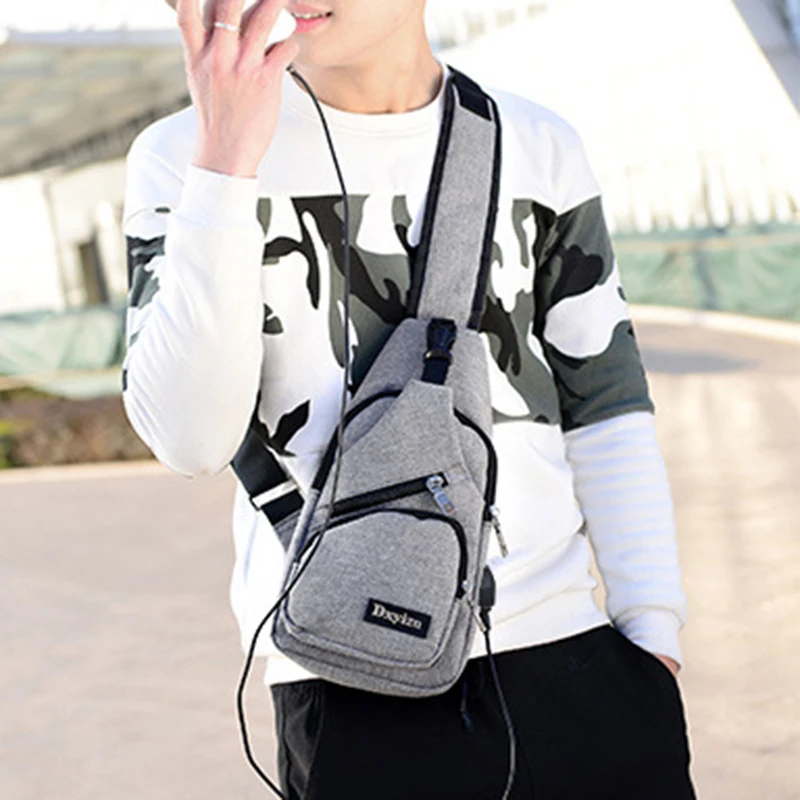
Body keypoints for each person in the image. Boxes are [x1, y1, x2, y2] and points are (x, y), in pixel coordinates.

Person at [122, 0, 696, 797]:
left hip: (574, 658)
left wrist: (652, 631)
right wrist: (224, 164)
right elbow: (190, 439)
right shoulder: (183, 154)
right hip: (347, 671)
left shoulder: (537, 146)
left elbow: (604, 402)